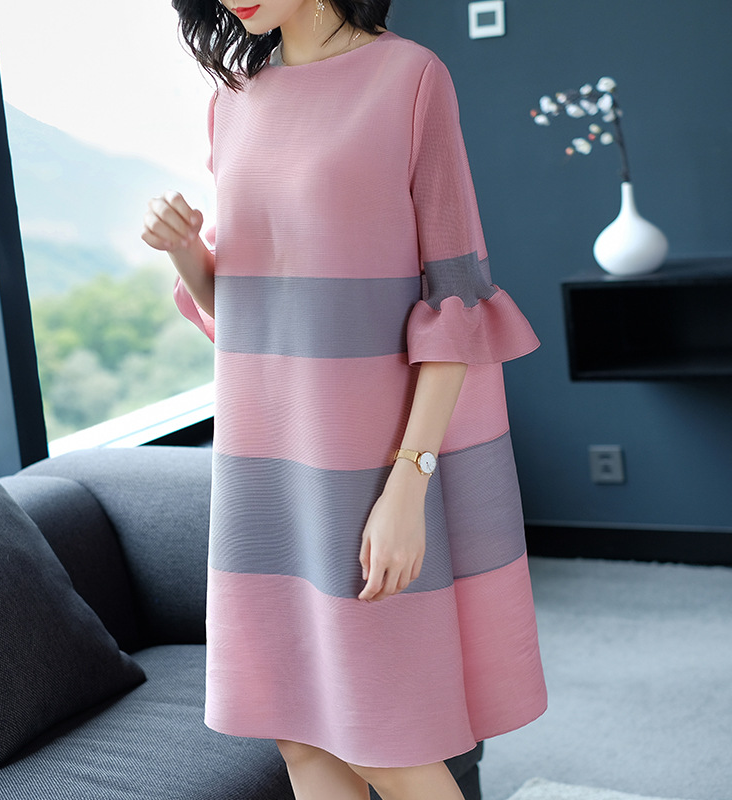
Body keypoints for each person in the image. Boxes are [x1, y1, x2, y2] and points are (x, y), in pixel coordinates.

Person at [142, 1, 547, 798]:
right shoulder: (235, 99)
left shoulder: (410, 79)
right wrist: (188, 250)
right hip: (264, 465)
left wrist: (409, 485)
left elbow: (456, 302)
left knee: (386, 743)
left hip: (366, 464)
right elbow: (245, 309)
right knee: (300, 738)